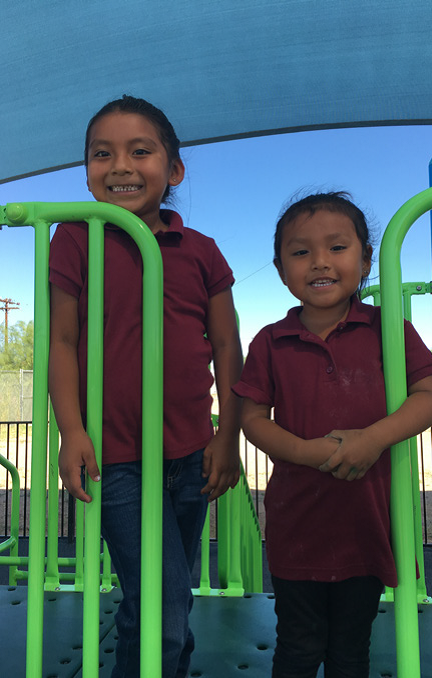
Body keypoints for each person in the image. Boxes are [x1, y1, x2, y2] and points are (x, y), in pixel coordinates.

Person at [48, 95, 243, 678]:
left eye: (141, 151)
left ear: (174, 169)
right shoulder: (76, 238)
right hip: (118, 460)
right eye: (101, 154)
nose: (121, 166)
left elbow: (229, 348)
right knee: (163, 605)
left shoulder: (201, 251)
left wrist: (227, 436)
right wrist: (72, 430)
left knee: (163, 600)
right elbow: (60, 342)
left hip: (190, 453)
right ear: (87, 170)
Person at [233, 192, 432, 678]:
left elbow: (430, 396)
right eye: (301, 252)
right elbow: (252, 419)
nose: (320, 262)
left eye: (337, 248)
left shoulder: (388, 329)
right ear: (281, 269)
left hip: (365, 529)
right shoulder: (270, 340)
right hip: (296, 530)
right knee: (299, 648)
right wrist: (308, 452)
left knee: (351, 651)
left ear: (366, 259)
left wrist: (372, 439)